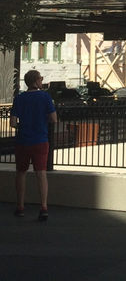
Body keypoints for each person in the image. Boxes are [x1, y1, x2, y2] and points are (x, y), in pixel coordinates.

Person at [10, 69, 57, 221]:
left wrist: (23, 126)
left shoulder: (19, 98)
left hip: (23, 140)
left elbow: (12, 122)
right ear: (36, 81)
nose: (42, 81)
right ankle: (43, 207)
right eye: (41, 79)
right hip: (40, 139)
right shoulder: (45, 97)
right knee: (41, 173)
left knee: (21, 172)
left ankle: (20, 206)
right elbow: (53, 119)